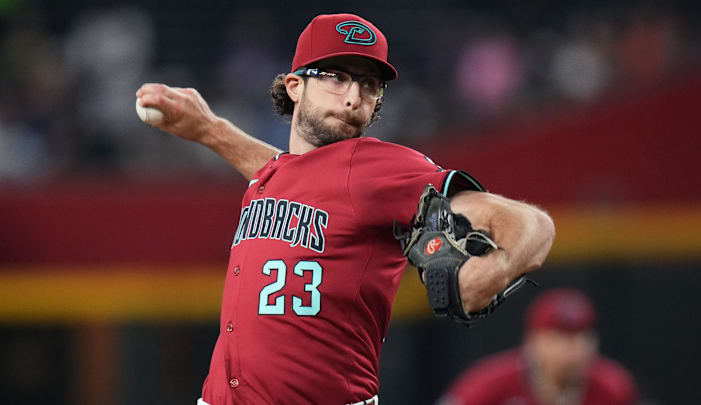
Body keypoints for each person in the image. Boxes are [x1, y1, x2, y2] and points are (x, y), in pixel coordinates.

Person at [135, 13, 555, 405]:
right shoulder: (280, 174)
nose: (354, 96)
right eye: (336, 77)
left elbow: (533, 224)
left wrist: (497, 269)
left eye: (369, 84)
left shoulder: (379, 168)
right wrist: (211, 129)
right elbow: (286, 171)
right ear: (295, 86)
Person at [437, 288, 638, 405]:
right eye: (559, 337)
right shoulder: (490, 383)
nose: (571, 348)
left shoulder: (612, 387)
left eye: (580, 337)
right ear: (533, 341)